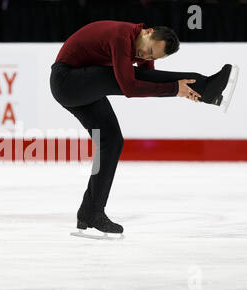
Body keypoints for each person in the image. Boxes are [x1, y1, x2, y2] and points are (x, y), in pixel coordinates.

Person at [49, 20, 235, 236]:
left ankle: (91, 211)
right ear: (147, 32)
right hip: (67, 81)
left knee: (112, 141)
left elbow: (149, 78)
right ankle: (205, 85)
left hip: (84, 84)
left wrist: (179, 90)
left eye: (151, 57)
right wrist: (176, 89)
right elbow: (130, 86)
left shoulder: (140, 45)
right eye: (147, 51)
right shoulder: (121, 37)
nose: (145, 57)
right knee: (127, 76)